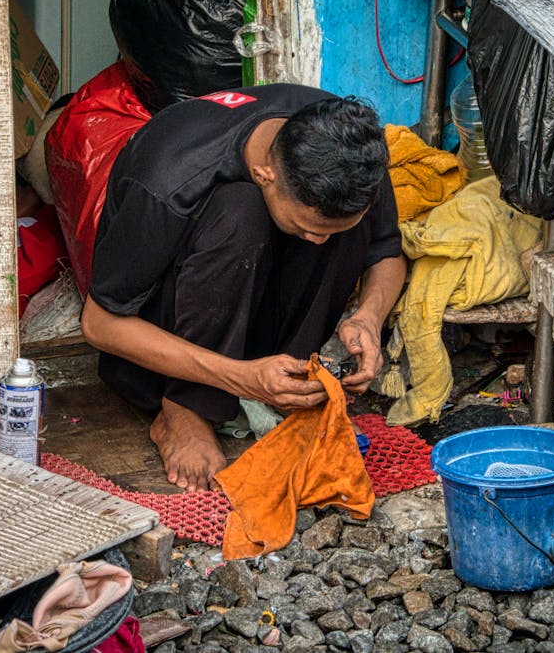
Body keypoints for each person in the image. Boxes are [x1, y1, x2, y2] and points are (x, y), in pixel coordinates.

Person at [80, 84, 407, 492]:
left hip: (260, 320)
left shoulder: (347, 155)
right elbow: (99, 323)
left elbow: (387, 253)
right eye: (308, 227)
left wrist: (368, 318)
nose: (320, 243)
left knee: (340, 231)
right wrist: (239, 378)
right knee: (241, 213)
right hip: (163, 346)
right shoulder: (170, 177)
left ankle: (283, 379)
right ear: (264, 174)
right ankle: (184, 408)